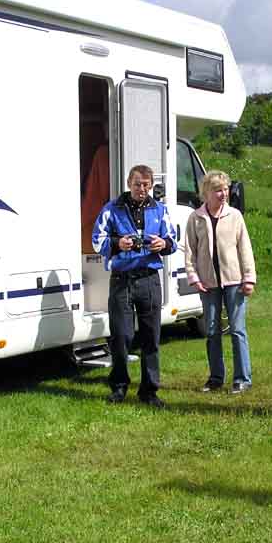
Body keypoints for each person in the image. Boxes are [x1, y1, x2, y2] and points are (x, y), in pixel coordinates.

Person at [92, 165, 176, 408]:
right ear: (129, 183)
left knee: (151, 337)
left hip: (149, 279)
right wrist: (118, 243)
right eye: (138, 184)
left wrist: (163, 244)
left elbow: (172, 240)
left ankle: (149, 391)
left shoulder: (160, 210)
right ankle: (119, 387)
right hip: (122, 280)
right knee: (121, 336)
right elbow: (97, 240)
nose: (142, 189)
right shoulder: (112, 209)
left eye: (147, 185)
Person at [185, 170, 256, 394]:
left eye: (225, 189)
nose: (223, 194)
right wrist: (194, 278)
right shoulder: (195, 218)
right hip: (208, 284)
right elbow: (190, 252)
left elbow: (245, 248)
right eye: (218, 190)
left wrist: (249, 278)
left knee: (237, 330)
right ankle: (216, 378)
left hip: (234, 281)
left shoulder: (235, 216)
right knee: (212, 330)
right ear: (206, 192)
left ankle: (242, 379)